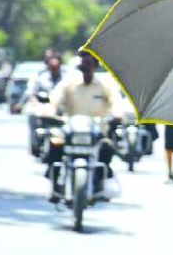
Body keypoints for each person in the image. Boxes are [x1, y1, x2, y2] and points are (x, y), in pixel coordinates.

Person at [44, 50, 122, 202]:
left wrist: (117, 115)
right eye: (84, 62)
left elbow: (116, 103)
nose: (86, 66)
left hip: (97, 132)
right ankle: (55, 186)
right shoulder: (68, 83)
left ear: (96, 66)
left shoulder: (106, 85)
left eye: (90, 63)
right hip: (70, 130)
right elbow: (53, 101)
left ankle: (100, 182)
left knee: (107, 148)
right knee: (54, 145)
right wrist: (48, 112)